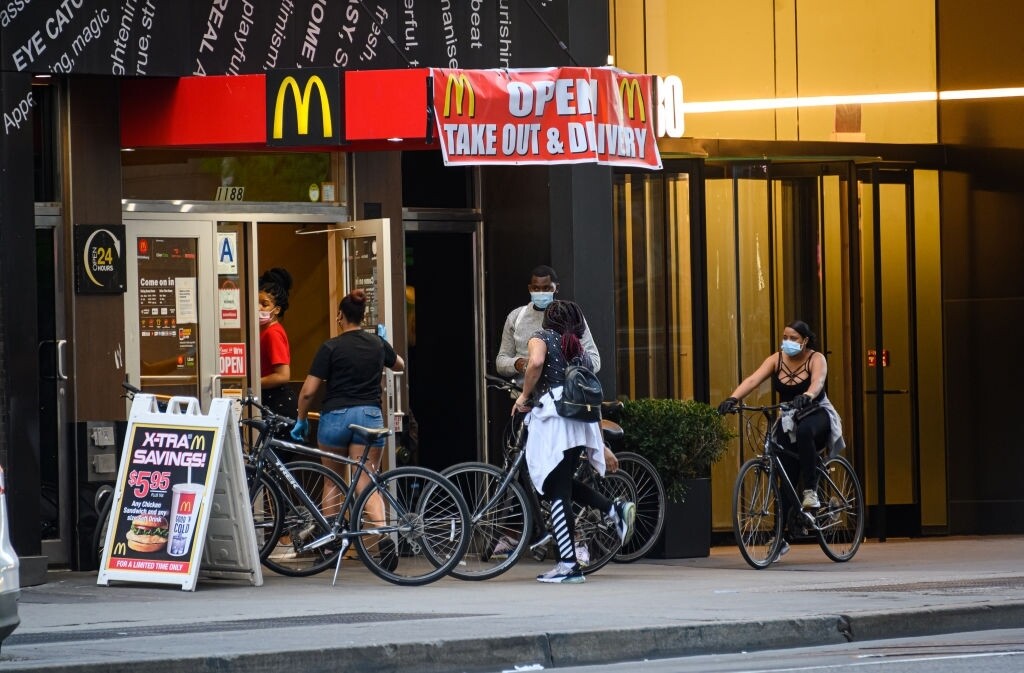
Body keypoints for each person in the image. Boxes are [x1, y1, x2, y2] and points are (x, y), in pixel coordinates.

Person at [513, 300, 635, 584]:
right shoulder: (576, 349)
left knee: (557, 492)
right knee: (564, 485)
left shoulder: (541, 338)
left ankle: (569, 565)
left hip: (555, 422)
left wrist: (523, 396)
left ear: (548, 321)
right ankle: (611, 509)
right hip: (578, 424)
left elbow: (535, 363)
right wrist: (599, 444)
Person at [717, 320, 845, 560]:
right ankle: (781, 539)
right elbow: (754, 379)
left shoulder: (815, 359)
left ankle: (810, 491)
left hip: (816, 414)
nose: (788, 341)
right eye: (785, 336)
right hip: (789, 419)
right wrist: (732, 398)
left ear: (805, 341)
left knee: (806, 431)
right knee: (784, 475)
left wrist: (806, 396)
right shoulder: (776, 359)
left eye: (794, 338)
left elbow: (818, 381)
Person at [291, 289, 405, 526]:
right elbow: (399, 365)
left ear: (340, 316)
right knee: (366, 479)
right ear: (363, 317)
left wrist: (301, 419)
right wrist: (383, 343)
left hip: (335, 418)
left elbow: (308, 391)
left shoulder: (330, 347)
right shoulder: (376, 344)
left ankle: (331, 538)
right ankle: (382, 536)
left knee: (332, 480)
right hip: (368, 416)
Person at [495, 265, 618, 471]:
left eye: (546, 289)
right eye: (536, 288)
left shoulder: (569, 316)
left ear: (556, 289)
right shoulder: (516, 318)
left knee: (556, 471)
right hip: (526, 405)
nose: (541, 293)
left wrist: (560, 364)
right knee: (526, 466)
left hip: (561, 405)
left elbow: (594, 361)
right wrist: (518, 363)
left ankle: (599, 499)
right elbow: (501, 361)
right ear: (529, 288)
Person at [258, 268, 297, 435]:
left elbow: (282, 375)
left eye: (265, 304)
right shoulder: (262, 331)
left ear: (277, 310)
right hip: (270, 400)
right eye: (257, 302)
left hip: (277, 403)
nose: (258, 307)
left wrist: (252, 383)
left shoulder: (272, 333)